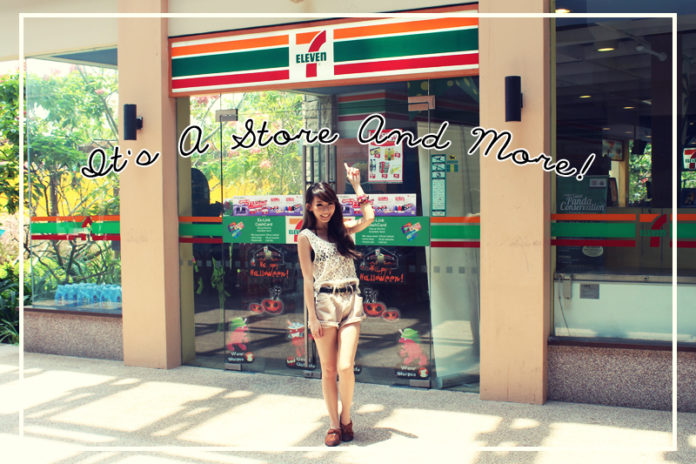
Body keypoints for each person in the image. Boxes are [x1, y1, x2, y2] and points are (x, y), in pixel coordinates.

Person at [297, 164, 375, 447]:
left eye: (329, 204)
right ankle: (333, 425)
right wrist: (312, 318)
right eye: (320, 205)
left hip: (351, 300)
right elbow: (308, 281)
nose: (325, 210)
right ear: (310, 206)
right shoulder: (306, 237)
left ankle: (346, 417)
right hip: (325, 303)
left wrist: (356, 185)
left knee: (345, 366)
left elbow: (369, 217)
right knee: (328, 370)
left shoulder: (343, 230)